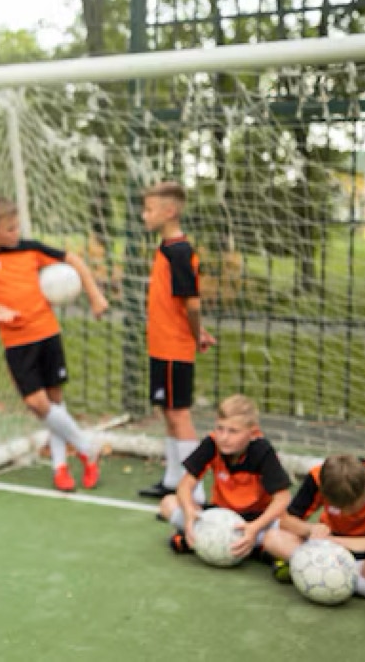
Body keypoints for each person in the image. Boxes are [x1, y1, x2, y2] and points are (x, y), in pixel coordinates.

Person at [0, 197, 110, 492]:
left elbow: (73, 260)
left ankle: (60, 468)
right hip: (17, 341)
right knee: (37, 404)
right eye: (8, 229)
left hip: (46, 333)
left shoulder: (31, 249)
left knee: (56, 402)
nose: (15, 234)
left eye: (16, 227)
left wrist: (95, 295)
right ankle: (86, 448)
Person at [262, 454, 365, 614]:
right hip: (328, 550)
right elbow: (286, 521)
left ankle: (306, 570)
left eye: (351, 507)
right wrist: (310, 529)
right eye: (338, 507)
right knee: (272, 538)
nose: (344, 513)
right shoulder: (320, 477)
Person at [138, 181, 217, 500]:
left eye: (149, 209)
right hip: (161, 345)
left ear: (170, 211)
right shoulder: (166, 248)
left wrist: (197, 335)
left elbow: (192, 304)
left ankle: (193, 492)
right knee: (168, 413)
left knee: (179, 415)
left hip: (174, 348)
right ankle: (173, 481)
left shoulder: (181, 252)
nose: (144, 215)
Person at [159, 394, 291, 560]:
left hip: (254, 520)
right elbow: (185, 485)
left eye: (233, 431)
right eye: (220, 428)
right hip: (219, 517)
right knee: (168, 503)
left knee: (286, 528)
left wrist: (255, 527)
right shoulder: (212, 444)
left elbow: (283, 499)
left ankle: (249, 543)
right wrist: (189, 512)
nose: (224, 437)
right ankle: (255, 549)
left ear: (253, 433)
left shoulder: (263, 452)